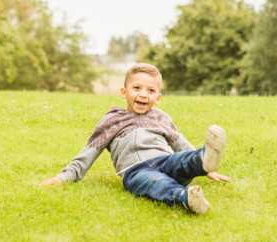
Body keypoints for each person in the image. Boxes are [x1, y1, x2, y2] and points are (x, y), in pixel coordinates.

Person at [40, 63, 231, 213]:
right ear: (124, 92)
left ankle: (204, 159)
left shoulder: (161, 118)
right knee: (156, 183)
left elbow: (179, 143)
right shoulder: (112, 120)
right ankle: (185, 197)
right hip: (136, 171)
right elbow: (89, 151)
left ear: (158, 98)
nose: (143, 94)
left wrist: (208, 169)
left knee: (181, 160)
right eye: (137, 88)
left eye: (151, 91)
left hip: (165, 161)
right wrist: (63, 177)